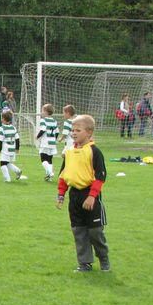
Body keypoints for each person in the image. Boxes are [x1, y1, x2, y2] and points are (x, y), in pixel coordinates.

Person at [56, 115, 109, 272]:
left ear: (89, 132)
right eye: (72, 130)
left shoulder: (94, 151)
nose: (73, 133)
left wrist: (92, 196)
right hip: (75, 196)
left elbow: (100, 176)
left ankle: (103, 258)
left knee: (95, 232)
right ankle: (84, 263)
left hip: (90, 195)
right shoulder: (69, 152)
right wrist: (61, 195)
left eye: (78, 130)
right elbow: (64, 175)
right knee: (78, 231)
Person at [0, 109, 22, 183]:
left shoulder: (1, 128)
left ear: (4, 119)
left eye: (2, 118)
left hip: (5, 149)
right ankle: (18, 171)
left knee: (2, 164)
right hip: (12, 149)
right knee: (7, 163)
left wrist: (0, 150)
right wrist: (17, 148)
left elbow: (0, 140)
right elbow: (17, 139)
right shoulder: (13, 128)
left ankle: (7, 179)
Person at [36, 103, 59, 181]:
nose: (41, 112)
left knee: (43, 159)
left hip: (45, 143)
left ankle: (50, 172)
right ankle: (49, 178)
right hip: (52, 143)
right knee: (49, 160)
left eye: (42, 111)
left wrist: (37, 136)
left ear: (46, 111)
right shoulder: (54, 121)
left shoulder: (43, 120)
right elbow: (57, 132)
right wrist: (54, 139)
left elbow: (43, 129)